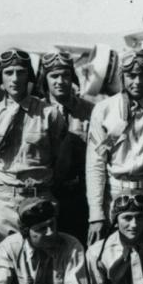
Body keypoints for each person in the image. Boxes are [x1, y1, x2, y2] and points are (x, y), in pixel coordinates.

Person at [0, 48, 70, 235]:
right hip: (3, 203)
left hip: (40, 198)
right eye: (9, 73)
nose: (15, 78)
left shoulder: (49, 114)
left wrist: (47, 189)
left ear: (30, 75)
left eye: (21, 72)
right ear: (0, 77)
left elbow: (61, 160)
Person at [86, 52, 143, 243]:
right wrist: (96, 213)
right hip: (114, 197)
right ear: (122, 77)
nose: (137, 82)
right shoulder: (104, 110)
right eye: (131, 76)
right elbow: (95, 164)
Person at [0, 198, 87, 284]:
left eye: (52, 224)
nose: (50, 232)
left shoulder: (72, 247)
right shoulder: (9, 247)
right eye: (42, 229)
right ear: (26, 232)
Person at [39, 52, 95, 242]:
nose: (60, 81)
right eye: (54, 76)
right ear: (44, 79)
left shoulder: (91, 111)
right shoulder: (36, 112)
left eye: (65, 75)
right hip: (46, 196)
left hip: (81, 197)